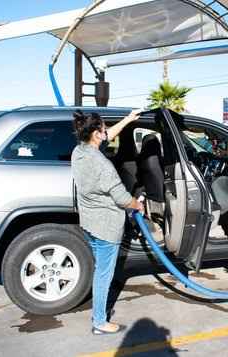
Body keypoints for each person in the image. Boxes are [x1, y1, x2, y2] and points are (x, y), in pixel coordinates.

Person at [71, 109, 144, 335]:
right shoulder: (103, 165)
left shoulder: (79, 152)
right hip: (106, 227)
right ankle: (99, 322)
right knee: (104, 274)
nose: (105, 132)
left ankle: (99, 316)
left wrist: (129, 119)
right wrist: (139, 204)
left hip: (89, 224)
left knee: (99, 270)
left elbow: (109, 134)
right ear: (96, 134)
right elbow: (123, 199)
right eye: (103, 128)